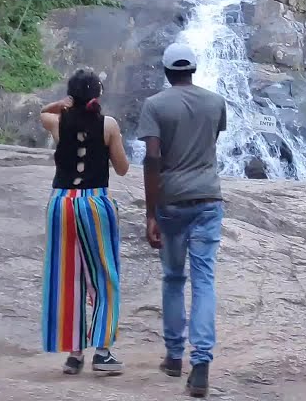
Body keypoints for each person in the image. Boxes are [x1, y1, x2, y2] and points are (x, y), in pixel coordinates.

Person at [136, 42, 228, 399]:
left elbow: (152, 160)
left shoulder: (155, 105)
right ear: (193, 69)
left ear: (166, 71)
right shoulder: (215, 102)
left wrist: (150, 212)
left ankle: (174, 357)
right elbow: (211, 142)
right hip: (208, 199)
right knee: (204, 281)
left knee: (174, 278)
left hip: (171, 202)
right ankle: (201, 362)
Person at [39, 68, 130, 376]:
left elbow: (43, 111)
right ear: (98, 95)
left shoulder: (56, 122)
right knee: (105, 274)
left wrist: (63, 103)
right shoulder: (108, 125)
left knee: (67, 276)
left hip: (61, 203)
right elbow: (122, 169)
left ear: (71, 96)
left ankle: (74, 354)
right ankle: (102, 351)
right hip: (94, 202)